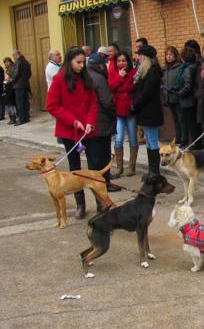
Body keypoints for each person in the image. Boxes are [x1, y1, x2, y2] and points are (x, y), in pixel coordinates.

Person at [46, 47, 99, 219]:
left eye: (83, 62)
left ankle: (101, 203)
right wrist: (72, 121)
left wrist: (90, 121)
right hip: (69, 131)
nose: (82, 66)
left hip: (88, 131)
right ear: (69, 62)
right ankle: (80, 204)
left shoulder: (86, 78)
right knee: (74, 168)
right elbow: (52, 105)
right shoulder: (59, 79)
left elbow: (93, 102)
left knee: (94, 167)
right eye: (78, 62)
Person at [86, 52, 119, 198]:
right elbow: (107, 101)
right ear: (99, 65)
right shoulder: (99, 78)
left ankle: (94, 182)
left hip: (89, 122)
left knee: (93, 157)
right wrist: (114, 114)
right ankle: (105, 183)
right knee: (104, 155)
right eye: (104, 64)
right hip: (101, 121)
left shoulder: (85, 76)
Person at [131, 44, 163, 174]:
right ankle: (152, 170)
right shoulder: (144, 71)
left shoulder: (153, 71)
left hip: (150, 111)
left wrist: (135, 104)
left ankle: (155, 171)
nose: (137, 58)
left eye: (139, 55)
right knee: (149, 142)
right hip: (144, 111)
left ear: (144, 57)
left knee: (153, 141)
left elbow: (147, 93)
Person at [108, 51, 138, 178]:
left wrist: (121, 84)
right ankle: (119, 167)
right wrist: (120, 77)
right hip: (118, 110)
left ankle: (131, 167)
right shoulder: (113, 72)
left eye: (123, 60)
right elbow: (110, 87)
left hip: (130, 109)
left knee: (132, 137)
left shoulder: (134, 71)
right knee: (118, 139)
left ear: (128, 61)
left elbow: (131, 87)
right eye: (119, 61)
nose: (121, 63)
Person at [161, 46, 187, 147]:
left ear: (175, 55)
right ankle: (178, 138)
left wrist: (174, 89)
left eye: (171, 54)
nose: (169, 57)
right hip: (169, 97)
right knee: (175, 119)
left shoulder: (180, 66)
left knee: (181, 118)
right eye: (167, 55)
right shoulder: (165, 68)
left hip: (178, 97)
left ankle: (184, 139)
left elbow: (181, 81)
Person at [177, 47, 201, 148]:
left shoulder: (187, 69)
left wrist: (179, 93)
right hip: (192, 100)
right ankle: (197, 143)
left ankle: (196, 144)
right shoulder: (194, 66)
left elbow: (188, 86)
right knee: (194, 124)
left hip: (188, 101)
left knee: (192, 124)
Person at [11, 49, 31, 125]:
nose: (13, 57)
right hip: (25, 84)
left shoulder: (18, 62)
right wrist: (25, 80)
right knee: (25, 102)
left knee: (20, 103)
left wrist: (12, 80)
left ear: (16, 54)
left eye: (13, 55)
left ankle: (22, 120)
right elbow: (29, 73)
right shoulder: (26, 61)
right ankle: (26, 118)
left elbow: (16, 73)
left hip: (18, 85)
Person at [3, 58, 17, 125]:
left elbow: (12, 78)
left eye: (7, 61)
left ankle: (13, 118)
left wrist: (9, 79)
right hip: (7, 87)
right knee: (8, 104)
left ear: (10, 61)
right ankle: (11, 118)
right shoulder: (7, 69)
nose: (6, 63)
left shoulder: (12, 68)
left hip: (11, 88)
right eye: (5, 62)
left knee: (10, 104)